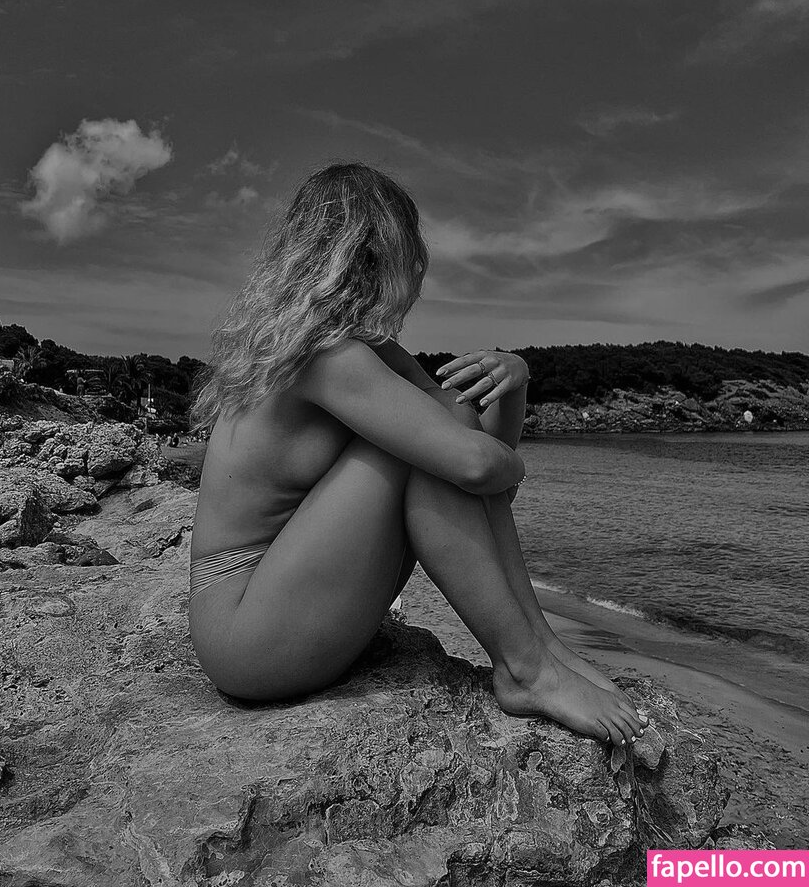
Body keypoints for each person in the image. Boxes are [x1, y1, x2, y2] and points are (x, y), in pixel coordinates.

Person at [187, 163, 646, 745]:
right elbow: (477, 465)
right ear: (382, 257)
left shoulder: (356, 349)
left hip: (278, 601)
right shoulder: (325, 356)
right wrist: (513, 468)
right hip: (246, 629)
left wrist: (515, 382)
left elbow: (474, 451)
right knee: (428, 449)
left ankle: (542, 648)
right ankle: (525, 668)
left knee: (441, 427)